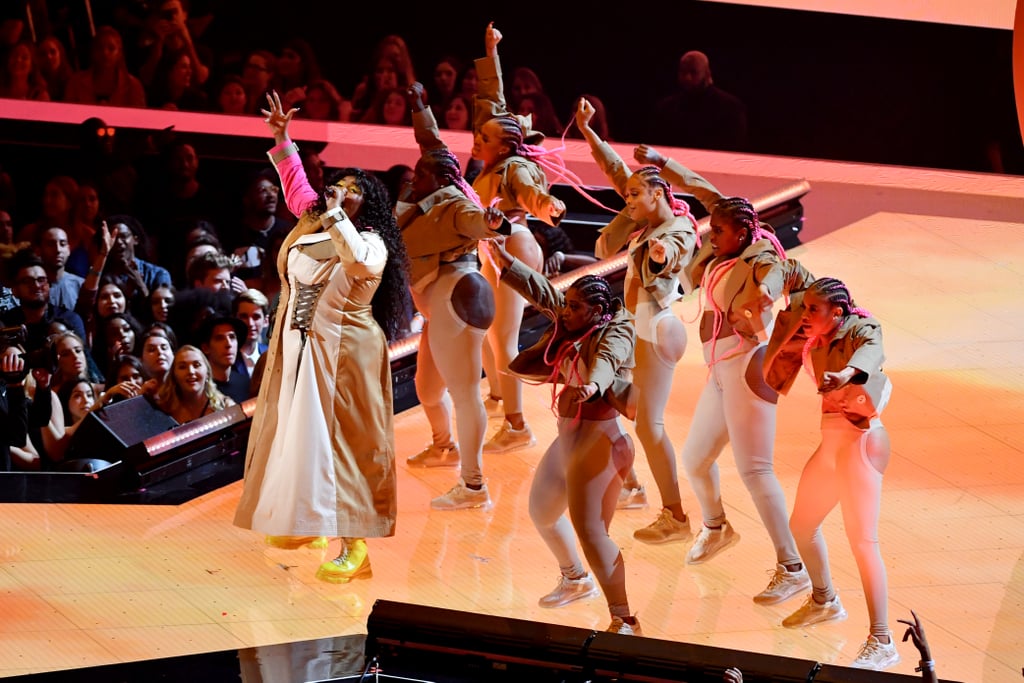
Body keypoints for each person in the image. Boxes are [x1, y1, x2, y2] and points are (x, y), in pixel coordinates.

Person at [233, 91, 412, 584]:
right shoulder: (315, 222)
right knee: (302, 437)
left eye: (352, 188)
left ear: (368, 201)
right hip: (300, 347)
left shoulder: (369, 239)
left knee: (347, 444)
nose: (340, 191)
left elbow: (356, 261)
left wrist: (334, 214)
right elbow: (296, 190)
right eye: (337, 184)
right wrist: (282, 138)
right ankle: (310, 524)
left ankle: (356, 546)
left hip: (345, 352)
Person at [633, 145, 815, 609]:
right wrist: (659, 161)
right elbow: (699, 188)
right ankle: (717, 527)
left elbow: (773, 282)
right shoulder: (728, 236)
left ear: (743, 232)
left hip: (747, 369)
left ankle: (792, 568)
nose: (709, 236)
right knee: (695, 460)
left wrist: (760, 304)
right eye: (710, 228)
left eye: (717, 231)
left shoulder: (760, 259)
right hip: (719, 370)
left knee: (756, 471)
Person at [487, 234, 641, 635]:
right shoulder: (576, 318)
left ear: (597, 310)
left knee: (591, 532)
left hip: (602, 440)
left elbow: (608, 360)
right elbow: (543, 293)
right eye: (568, 304)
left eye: (574, 306)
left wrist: (592, 386)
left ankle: (623, 618)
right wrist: (506, 264)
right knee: (542, 510)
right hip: (570, 436)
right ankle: (575, 578)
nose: (565, 311)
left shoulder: (615, 332)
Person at [575, 99, 699, 547]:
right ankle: (631, 484)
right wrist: (589, 133)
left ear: (659, 195)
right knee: (610, 398)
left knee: (649, 425)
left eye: (633, 195)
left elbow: (677, 249)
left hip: (656, 328)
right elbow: (616, 173)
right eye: (626, 195)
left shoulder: (676, 229)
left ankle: (676, 515)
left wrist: (665, 258)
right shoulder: (643, 220)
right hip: (636, 327)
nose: (626, 200)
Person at [764, 276, 899, 671]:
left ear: (837, 313)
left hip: (862, 441)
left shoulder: (860, 328)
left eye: (813, 310)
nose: (805, 316)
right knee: (801, 525)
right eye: (805, 308)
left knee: (863, 543)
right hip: (831, 444)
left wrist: (846, 375)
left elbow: (872, 351)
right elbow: (793, 277)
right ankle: (824, 600)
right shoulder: (813, 335)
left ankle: (882, 640)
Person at [399, 81, 509, 510]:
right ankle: (443, 446)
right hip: (437, 306)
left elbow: (477, 222)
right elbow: (432, 143)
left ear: (442, 180)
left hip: (457, 296)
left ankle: (474, 485)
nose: (415, 174)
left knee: (464, 393)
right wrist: (421, 108)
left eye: (422, 173)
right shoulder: (431, 188)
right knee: (427, 388)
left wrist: (494, 224)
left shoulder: (453, 204)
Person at [472, 23, 566, 454]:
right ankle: (498, 399)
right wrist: (490, 53)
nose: (476, 138)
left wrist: (550, 207)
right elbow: (491, 102)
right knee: (491, 333)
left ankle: (517, 424)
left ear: (503, 144)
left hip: (513, 243)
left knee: (504, 335)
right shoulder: (493, 162)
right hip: (492, 246)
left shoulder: (513, 168)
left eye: (483, 137)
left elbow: (534, 192)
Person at [649, 51, 748, 152]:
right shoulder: (666, 108)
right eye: (683, 72)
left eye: (693, 72)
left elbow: (732, 149)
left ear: (707, 73)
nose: (687, 77)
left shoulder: (730, 108)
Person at [63, 26, 146, 108]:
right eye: (100, 48)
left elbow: (139, 118)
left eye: (111, 48)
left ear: (119, 53)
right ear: (93, 51)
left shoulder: (133, 85)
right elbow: (67, 114)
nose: (105, 53)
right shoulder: (75, 82)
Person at [154, 345, 234, 424]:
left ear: (207, 373)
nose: (191, 371)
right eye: (182, 367)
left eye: (196, 365)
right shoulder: (163, 409)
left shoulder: (226, 406)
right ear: (174, 375)